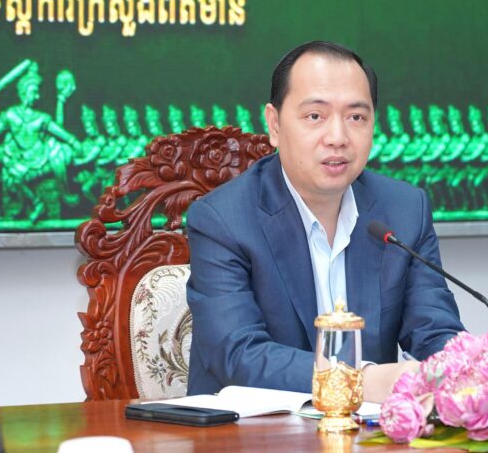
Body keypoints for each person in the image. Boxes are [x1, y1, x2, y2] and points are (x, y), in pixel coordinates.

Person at [186, 41, 464, 401]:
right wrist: (362, 381)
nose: (337, 138)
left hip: (369, 430)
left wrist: (459, 371)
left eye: (356, 118)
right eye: (315, 116)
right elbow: (238, 355)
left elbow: (436, 331)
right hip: (256, 428)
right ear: (274, 124)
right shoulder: (223, 219)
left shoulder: (405, 210)